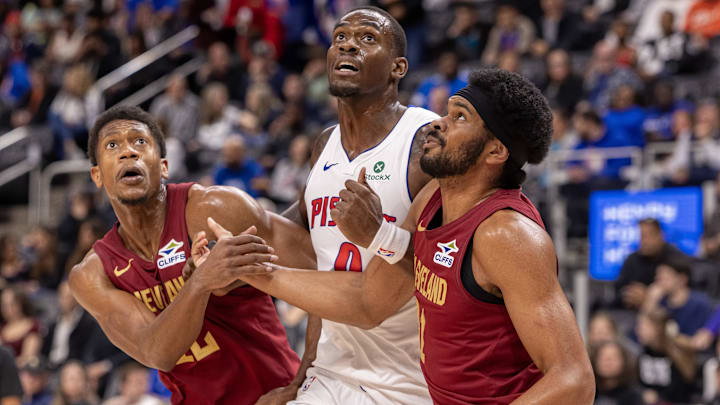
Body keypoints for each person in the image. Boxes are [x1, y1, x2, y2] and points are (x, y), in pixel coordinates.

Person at [214, 69, 594, 404]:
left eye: (460, 117)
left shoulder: (506, 234)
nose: (438, 123)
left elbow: (574, 380)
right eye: (448, 111)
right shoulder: (433, 198)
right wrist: (253, 270)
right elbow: (376, 292)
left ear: (495, 150)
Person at [249, 6, 440, 405]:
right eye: (340, 38)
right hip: (330, 373)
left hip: (408, 381)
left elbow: (446, 266)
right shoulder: (324, 144)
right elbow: (313, 256)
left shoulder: (426, 140)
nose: (348, 44)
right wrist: (226, 249)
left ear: (397, 67)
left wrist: (378, 233)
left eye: (368, 38)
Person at [67, 104, 316, 405]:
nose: (128, 152)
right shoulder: (93, 274)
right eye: (112, 145)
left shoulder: (214, 209)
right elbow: (157, 352)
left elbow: (320, 267)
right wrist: (201, 284)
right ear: (97, 175)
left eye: (140, 141)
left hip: (275, 393)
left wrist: (305, 378)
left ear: (163, 166)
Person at [590, 340, 643, 405]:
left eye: (614, 358)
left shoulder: (632, 395)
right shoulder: (589, 392)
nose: (608, 362)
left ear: (624, 362)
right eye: (602, 357)